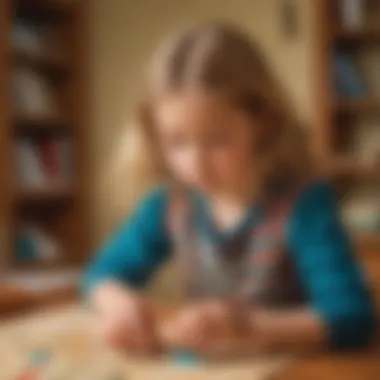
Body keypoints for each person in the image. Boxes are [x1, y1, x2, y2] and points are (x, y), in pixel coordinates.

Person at [82, 23, 376, 355]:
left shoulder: (304, 204)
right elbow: (102, 273)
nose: (195, 165)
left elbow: (353, 319)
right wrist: (117, 303)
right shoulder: (170, 204)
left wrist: (247, 325)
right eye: (176, 142)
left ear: (262, 121)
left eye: (217, 141)